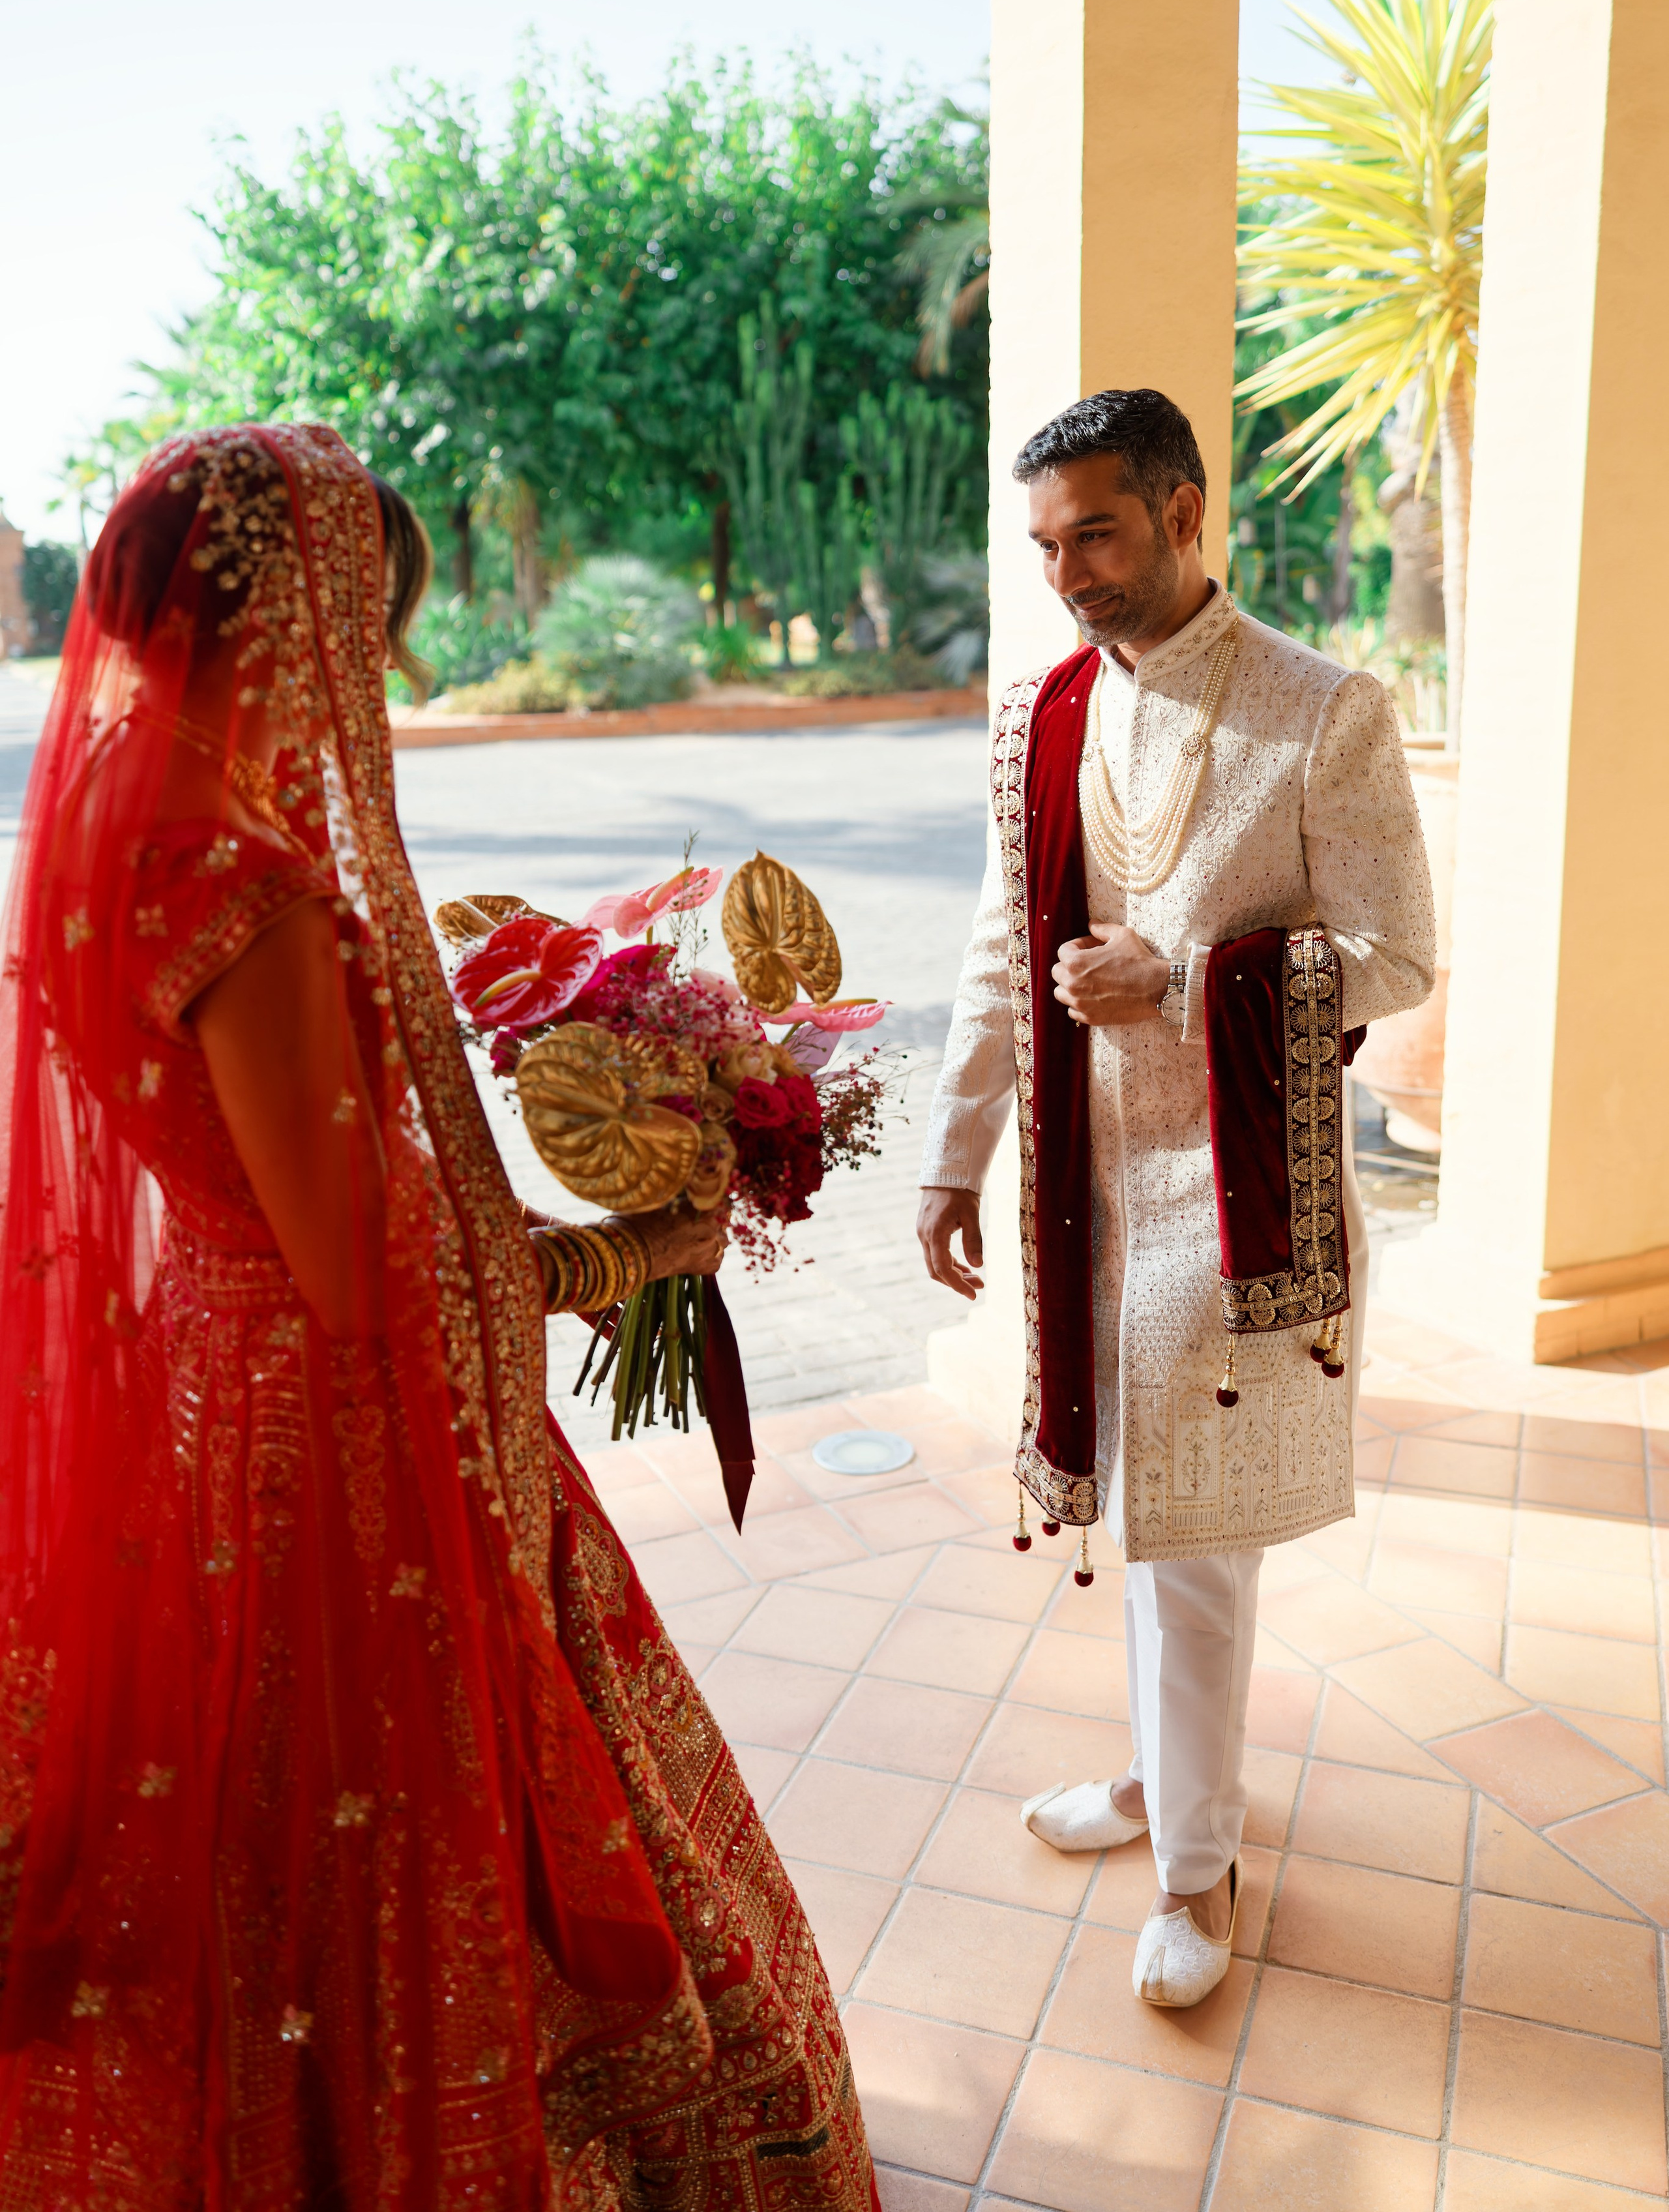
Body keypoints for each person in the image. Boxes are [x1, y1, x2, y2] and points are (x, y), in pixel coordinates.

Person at [0, 425, 878, 2206]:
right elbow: (353, 1270)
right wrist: (615, 1260)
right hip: (338, 1435)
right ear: (286, 618)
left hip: (209, 1387)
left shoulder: (108, 838)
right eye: (367, 628)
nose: (379, 678)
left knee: (250, 1829)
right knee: (401, 1833)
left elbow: (261, 1200)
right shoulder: (250, 888)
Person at [917, 389, 1434, 2008]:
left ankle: (1194, 1880)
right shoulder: (1044, 713)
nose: (1067, 571)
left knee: (1197, 1539)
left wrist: (1190, 973)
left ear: (1184, 511)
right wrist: (953, 1151)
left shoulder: (1317, 708)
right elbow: (1005, 947)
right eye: (1045, 544)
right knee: (1140, 1520)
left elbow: (1402, 958)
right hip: (1086, 1188)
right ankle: (1161, 1781)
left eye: (1097, 533)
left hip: (1234, 1190)